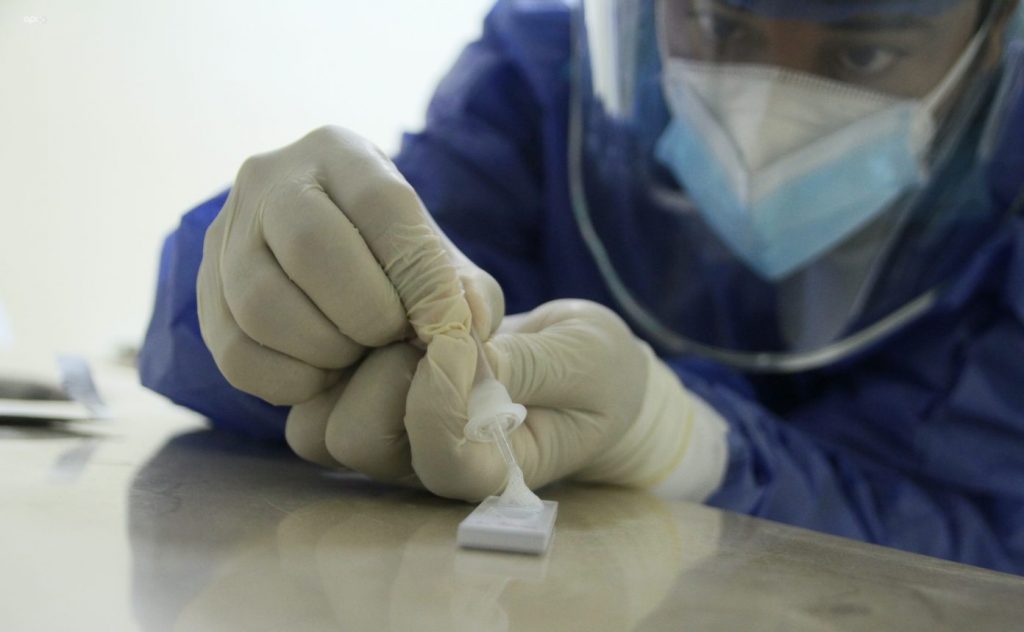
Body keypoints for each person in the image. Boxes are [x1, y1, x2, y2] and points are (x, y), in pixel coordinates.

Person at [139, 0, 1024, 574]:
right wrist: (271, 281)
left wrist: (688, 446)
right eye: (720, 28)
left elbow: (983, 535)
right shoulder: (542, 82)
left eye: (864, 54)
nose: (766, 115)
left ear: (992, 37)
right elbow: (317, 299)